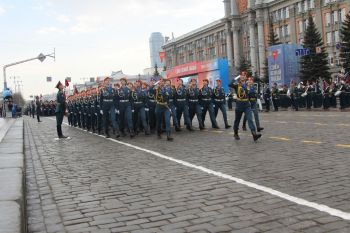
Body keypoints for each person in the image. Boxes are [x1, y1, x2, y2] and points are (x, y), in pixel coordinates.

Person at [230, 71, 262, 141]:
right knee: (237, 120)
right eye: (241, 75)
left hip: (247, 105)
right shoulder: (237, 84)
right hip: (239, 105)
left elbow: (250, 93)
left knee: (250, 119)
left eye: (244, 75)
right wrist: (237, 77)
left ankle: (254, 134)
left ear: (246, 77)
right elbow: (229, 84)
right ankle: (235, 133)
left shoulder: (248, 85)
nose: (243, 76)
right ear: (240, 76)